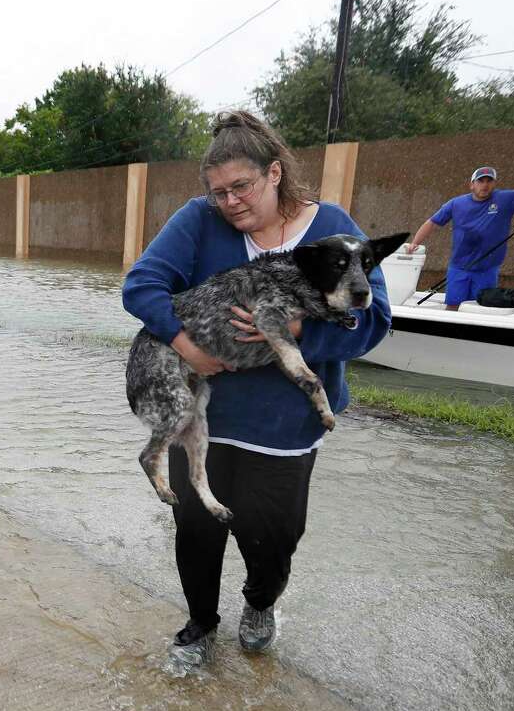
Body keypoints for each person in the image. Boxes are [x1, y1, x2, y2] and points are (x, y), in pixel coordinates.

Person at [122, 111, 393, 672]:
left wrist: (297, 331)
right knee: (195, 527)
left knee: (273, 537)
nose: (230, 203)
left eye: (241, 187)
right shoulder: (199, 222)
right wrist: (187, 348)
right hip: (206, 414)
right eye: (219, 192)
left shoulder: (333, 230)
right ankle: (199, 626)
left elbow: (374, 322)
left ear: (274, 174)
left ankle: (260, 602)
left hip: (284, 424)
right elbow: (141, 285)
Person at [404, 166, 514, 310]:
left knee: (481, 307)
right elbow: (432, 222)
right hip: (459, 267)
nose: (485, 185)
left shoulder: (506, 199)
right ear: (472, 184)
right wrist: (415, 243)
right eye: (480, 181)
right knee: (453, 306)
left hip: (487, 269)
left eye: (489, 181)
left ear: (494, 184)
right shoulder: (456, 203)